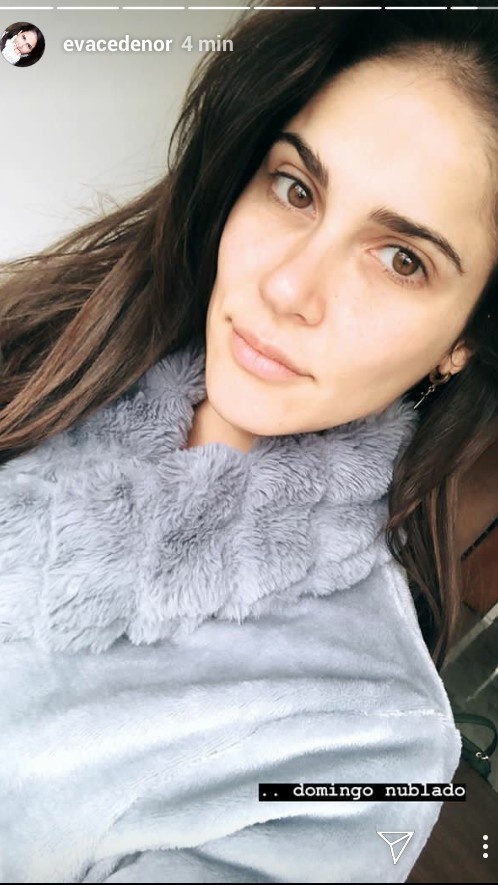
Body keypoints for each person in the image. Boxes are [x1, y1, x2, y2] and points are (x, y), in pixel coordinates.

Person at [0, 0, 497, 881]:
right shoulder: (46, 343)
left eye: (402, 258)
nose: (289, 287)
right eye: (297, 188)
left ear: (460, 343)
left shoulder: (367, 739)